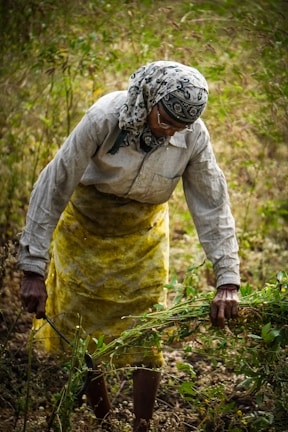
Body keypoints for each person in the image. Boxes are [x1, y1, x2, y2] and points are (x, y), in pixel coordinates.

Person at [18, 60, 240, 432]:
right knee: (82, 331)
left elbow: (212, 204)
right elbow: (54, 184)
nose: (171, 135)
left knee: (148, 325)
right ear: (150, 101)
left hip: (144, 233)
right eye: (165, 122)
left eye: (180, 128)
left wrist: (228, 280)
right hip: (86, 228)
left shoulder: (193, 135)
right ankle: (104, 422)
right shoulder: (104, 117)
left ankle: (142, 425)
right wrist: (32, 267)